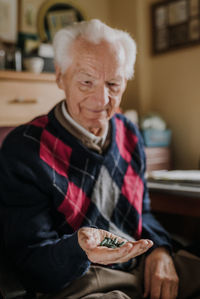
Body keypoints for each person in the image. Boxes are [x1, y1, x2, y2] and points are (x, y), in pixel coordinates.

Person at [0, 19, 200, 299]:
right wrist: (79, 249)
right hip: (81, 280)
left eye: (113, 83)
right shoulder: (24, 149)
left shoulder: (129, 133)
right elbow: (31, 265)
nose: (102, 99)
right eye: (86, 82)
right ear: (60, 77)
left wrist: (161, 251)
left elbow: (143, 214)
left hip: (140, 262)